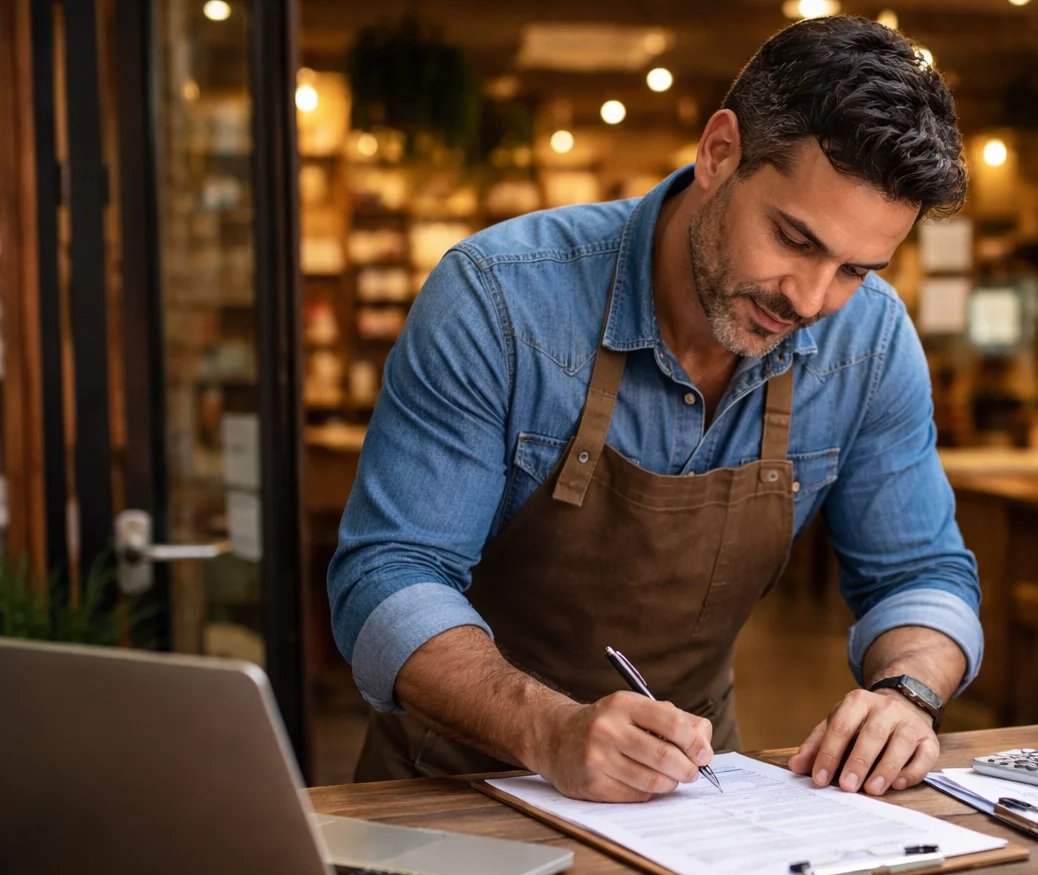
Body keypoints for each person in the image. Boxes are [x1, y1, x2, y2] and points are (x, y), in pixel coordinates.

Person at [329, 15, 982, 802]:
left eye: (855, 269)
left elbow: (923, 574)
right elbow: (387, 573)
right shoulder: (500, 299)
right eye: (794, 239)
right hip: (453, 785)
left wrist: (905, 696)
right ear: (719, 153)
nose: (811, 299)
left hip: (693, 799)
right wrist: (549, 729)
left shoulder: (869, 344)